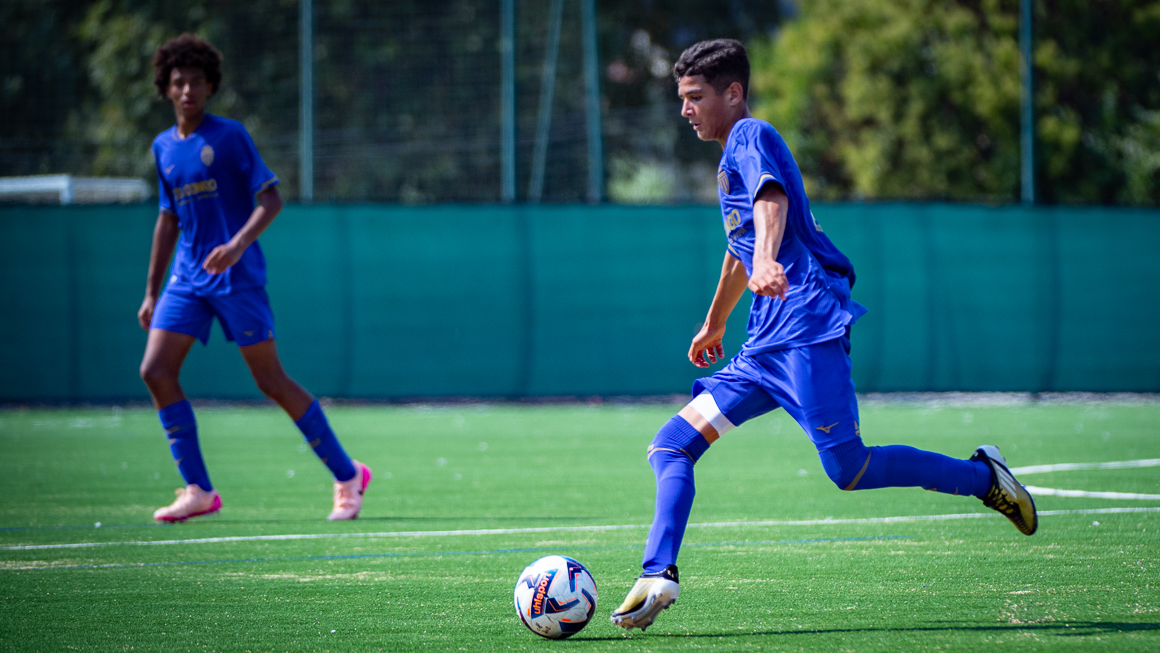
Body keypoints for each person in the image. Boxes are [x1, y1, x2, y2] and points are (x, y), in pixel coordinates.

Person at [610, 39, 1037, 632]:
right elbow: (741, 249)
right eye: (682, 98)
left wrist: (765, 259)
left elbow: (772, 201)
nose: (685, 109)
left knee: (849, 470)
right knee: (672, 444)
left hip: (806, 322)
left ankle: (985, 477)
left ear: (733, 94)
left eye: (695, 97)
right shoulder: (728, 157)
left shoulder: (749, 134)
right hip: (763, 344)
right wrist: (716, 319)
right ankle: (659, 573)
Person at [138, 34, 370, 523]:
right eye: (178, 83)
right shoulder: (163, 148)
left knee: (270, 380)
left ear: (211, 86)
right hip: (187, 277)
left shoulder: (230, 136)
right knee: (156, 371)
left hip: (237, 277)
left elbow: (272, 200)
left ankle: (348, 474)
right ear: (165, 88)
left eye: (196, 82)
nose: (187, 91)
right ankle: (198, 489)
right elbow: (167, 220)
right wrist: (152, 291)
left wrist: (238, 244)